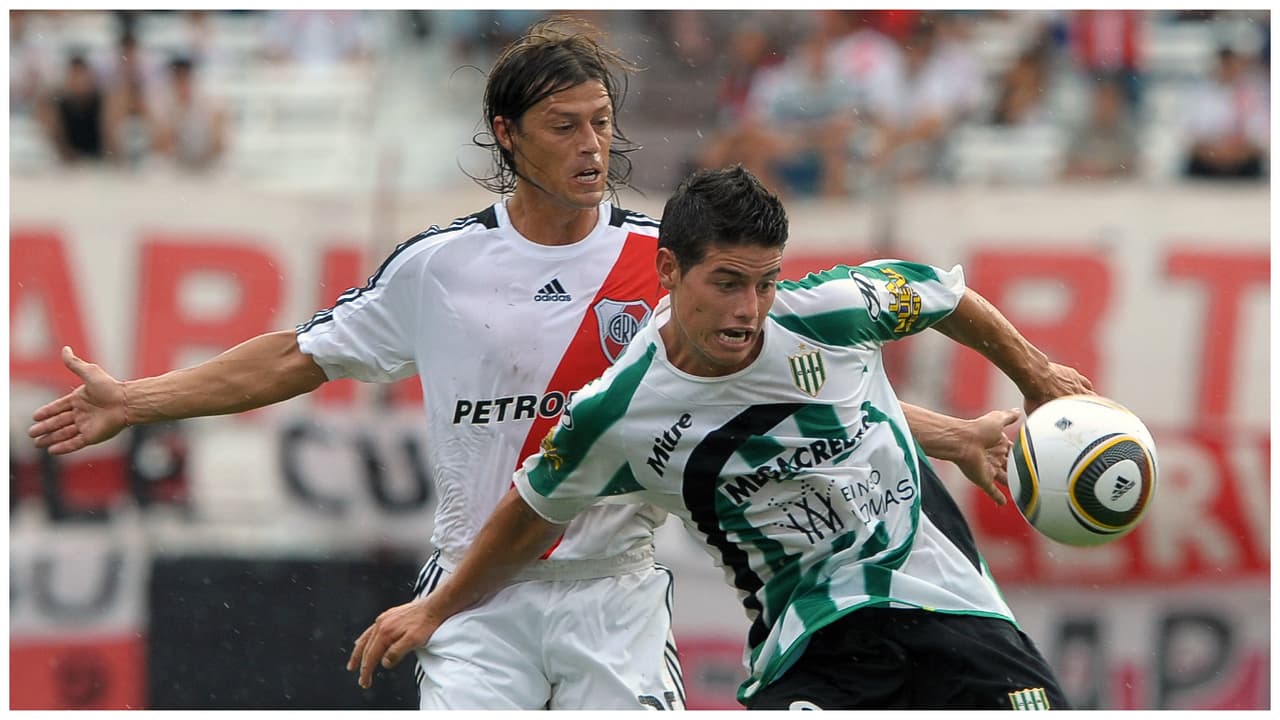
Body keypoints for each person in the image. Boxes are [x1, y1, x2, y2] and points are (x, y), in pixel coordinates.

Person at [32, 19, 1015, 710]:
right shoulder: (440, 268)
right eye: (565, 127)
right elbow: (297, 357)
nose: (593, 147)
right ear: (507, 135)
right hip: (475, 596)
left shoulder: (659, 260)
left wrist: (959, 435)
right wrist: (139, 400)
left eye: (600, 123)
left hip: (615, 594)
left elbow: (770, 397)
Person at [347, 165, 1092, 710]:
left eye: (765, 283)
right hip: (813, 641)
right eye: (729, 282)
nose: (750, 309)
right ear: (669, 271)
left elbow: (944, 296)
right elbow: (527, 512)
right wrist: (435, 608)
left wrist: (1033, 375)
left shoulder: (830, 311)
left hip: (946, 605)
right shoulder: (617, 412)